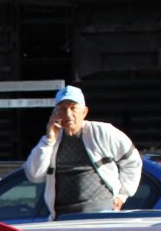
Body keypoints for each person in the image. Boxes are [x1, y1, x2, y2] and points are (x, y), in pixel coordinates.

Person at [24, 84, 141, 219]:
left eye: (73, 108)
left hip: (101, 212)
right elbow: (34, 175)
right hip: (63, 216)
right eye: (62, 109)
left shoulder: (103, 132)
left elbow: (132, 161)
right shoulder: (50, 141)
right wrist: (49, 140)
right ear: (55, 113)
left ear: (84, 112)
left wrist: (122, 195)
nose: (68, 114)